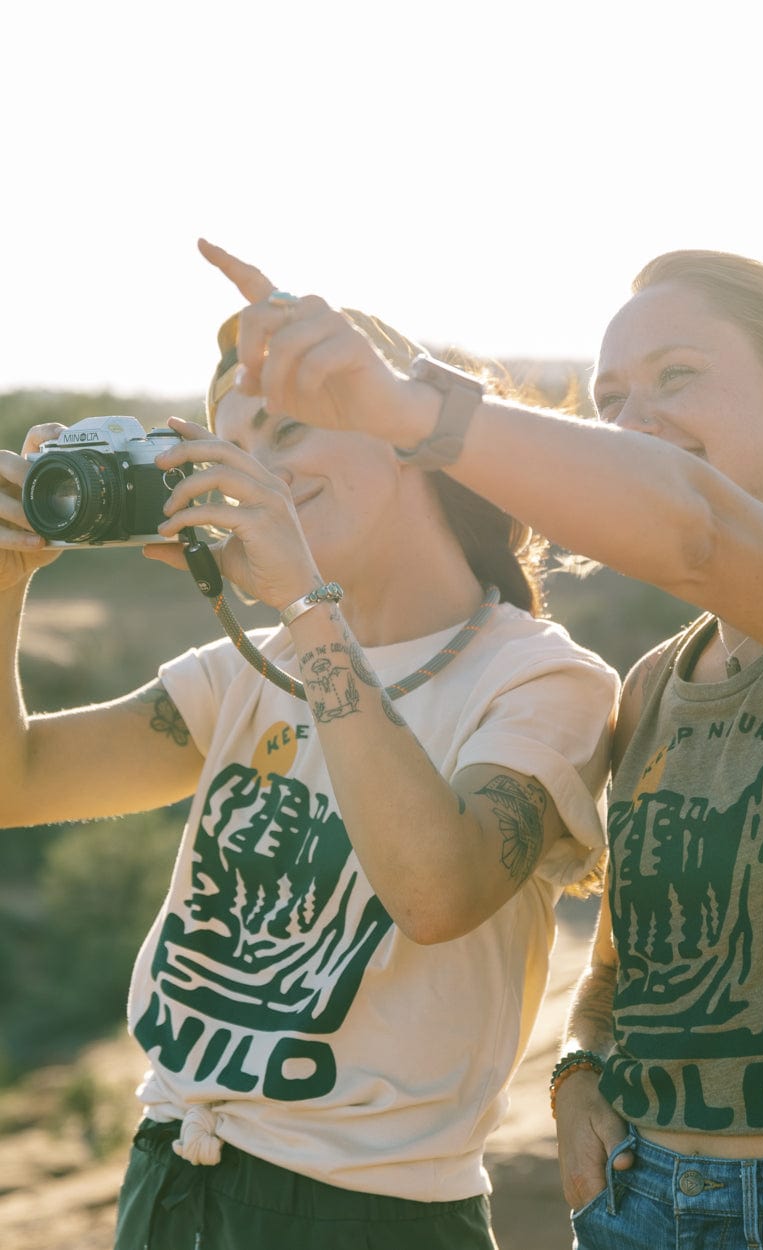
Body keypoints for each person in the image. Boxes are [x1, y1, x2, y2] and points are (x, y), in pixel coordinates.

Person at [202, 239, 763, 1247]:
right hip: (644, 1199)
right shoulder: (660, 680)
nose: (634, 421)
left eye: (676, 377)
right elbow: (634, 952)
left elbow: (698, 533)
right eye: (610, 398)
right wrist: (582, 1059)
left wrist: (406, 409)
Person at [0, 287, 620, 1249]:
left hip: (371, 1213)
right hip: (168, 1177)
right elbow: (18, 783)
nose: (260, 467)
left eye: (289, 427)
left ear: (411, 438)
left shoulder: (543, 681)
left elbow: (434, 890)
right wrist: (4, 587)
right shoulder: (250, 667)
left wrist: (306, 606)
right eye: (234, 444)